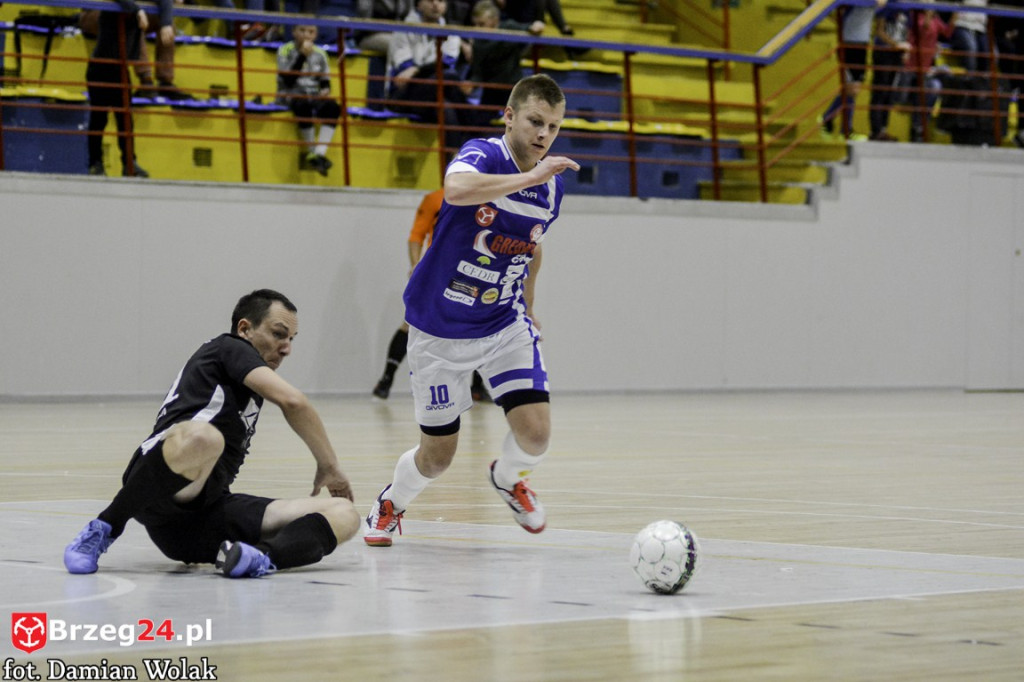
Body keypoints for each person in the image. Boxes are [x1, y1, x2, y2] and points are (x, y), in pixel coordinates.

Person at [363, 74, 579, 547]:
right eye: (535, 121)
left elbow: (532, 248)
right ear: (509, 115)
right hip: (439, 327)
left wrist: (530, 305)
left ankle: (508, 477)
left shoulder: (551, 191)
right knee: (438, 457)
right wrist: (530, 176)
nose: (544, 135)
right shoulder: (483, 153)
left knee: (537, 435)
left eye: (554, 127)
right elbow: (457, 190)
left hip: (502, 322)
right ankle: (390, 503)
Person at [63, 289, 360, 579]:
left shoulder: (249, 386)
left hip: (201, 520)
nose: (287, 348)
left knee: (344, 512)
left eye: (292, 339)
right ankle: (105, 527)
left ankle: (259, 558)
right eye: (278, 334)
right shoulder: (229, 347)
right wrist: (329, 466)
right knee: (206, 438)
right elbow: (295, 402)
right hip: (156, 488)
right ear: (245, 328)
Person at [373, 187, 491, 402]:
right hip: (438, 271)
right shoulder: (435, 199)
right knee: (412, 324)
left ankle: (477, 385)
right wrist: (416, 266)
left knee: (476, 324)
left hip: (473, 271)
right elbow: (416, 235)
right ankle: (386, 379)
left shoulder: (490, 198)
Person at [85, 0, 172, 176]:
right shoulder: (120, 6)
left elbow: (166, 1)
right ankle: (95, 163)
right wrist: (138, 9)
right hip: (100, 67)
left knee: (125, 120)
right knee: (99, 119)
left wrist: (166, 24)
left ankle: (129, 163)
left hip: (120, 68)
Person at [385, 0, 476, 153]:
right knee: (450, 77)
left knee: (446, 109)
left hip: (436, 92)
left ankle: (452, 164)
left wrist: (418, 69)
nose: (435, 5)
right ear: (418, 4)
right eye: (430, 0)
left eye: (440, 1)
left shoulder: (451, 32)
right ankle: (475, 126)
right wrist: (422, 70)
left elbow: (445, 64)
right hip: (404, 95)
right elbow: (405, 69)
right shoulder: (403, 28)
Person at [276, 24, 341, 177]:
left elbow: (325, 82)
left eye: (311, 32)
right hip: (290, 94)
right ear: (293, 32)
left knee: (333, 107)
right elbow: (288, 81)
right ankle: (312, 152)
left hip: (313, 94)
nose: (306, 35)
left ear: (316, 35)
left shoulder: (321, 53)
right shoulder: (284, 50)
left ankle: (319, 153)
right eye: (302, 30)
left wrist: (325, 91)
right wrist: (302, 55)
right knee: (302, 104)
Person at [820, 0, 888, 140]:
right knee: (852, 89)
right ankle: (843, 128)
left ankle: (831, 120)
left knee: (852, 90)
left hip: (862, 44)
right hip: (849, 43)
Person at [467, 0, 545, 114]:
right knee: (477, 121)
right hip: (490, 90)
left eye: (482, 24)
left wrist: (536, 26)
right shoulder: (477, 42)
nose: (478, 28)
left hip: (512, 88)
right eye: (475, 24)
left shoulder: (508, 27)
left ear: (495, 20)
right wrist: (471, 84)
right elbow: (477, 72)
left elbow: (530, 27)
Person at [902, 1, 953, 142]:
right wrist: (929, 14)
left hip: (926, 69)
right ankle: (917, 126)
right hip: (911, 68)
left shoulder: (936, 19)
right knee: (922, 90)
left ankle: (923, 126)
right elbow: (923, 29)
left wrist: (956, 15)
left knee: (940, 84)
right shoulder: (914, 15)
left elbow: (947, 32)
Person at [868, 5, 910, 141]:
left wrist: (904, 48)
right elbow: (879, 31)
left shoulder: (907, 9)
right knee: (880, 91)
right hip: (883, 52)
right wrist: (895, 44)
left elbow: (905, 32)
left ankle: (883, 129)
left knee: (890, 93)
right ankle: (876, 130)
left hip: (896, 54)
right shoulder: (887, 5)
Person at [951, 0, 989, 76]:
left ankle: (983, 81)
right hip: (962, 25)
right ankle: (970, 80)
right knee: (971, 48)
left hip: (980, 29)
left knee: (992, 53)